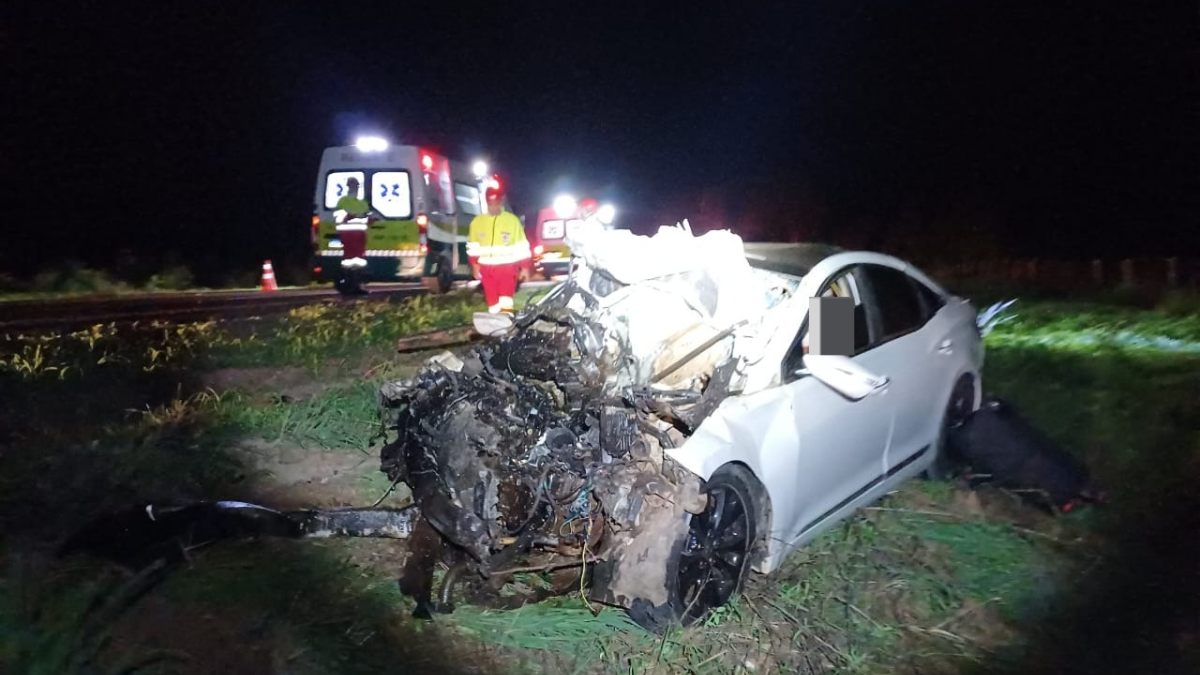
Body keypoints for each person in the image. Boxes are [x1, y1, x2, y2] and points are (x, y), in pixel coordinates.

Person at [467, 185, 531, 314]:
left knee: (506, 301)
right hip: (486, 271)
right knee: (493, 304)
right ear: (486, 203)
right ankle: (495, 322)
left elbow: (522, 247)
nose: (493, 208)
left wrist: (524, 268)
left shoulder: (512, 221)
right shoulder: (477, 222)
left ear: (501, 202)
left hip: (507, 270)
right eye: (490, 204)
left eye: (496, 204)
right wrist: (474, 265)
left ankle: (506, 321)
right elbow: (473, 246)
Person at [333, 176, 371, 295]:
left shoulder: (362, 203)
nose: (355, 188)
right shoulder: (343, 201)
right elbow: (339, 218)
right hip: (348, 236)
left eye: (356, 185)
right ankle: (348, 285)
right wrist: (353, 216)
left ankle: (357, 286)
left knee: (360, 262)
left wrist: (371, 219)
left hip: (360, 237)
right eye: (353, 185)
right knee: (348, 262)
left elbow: (367, 218)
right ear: (348, 186)